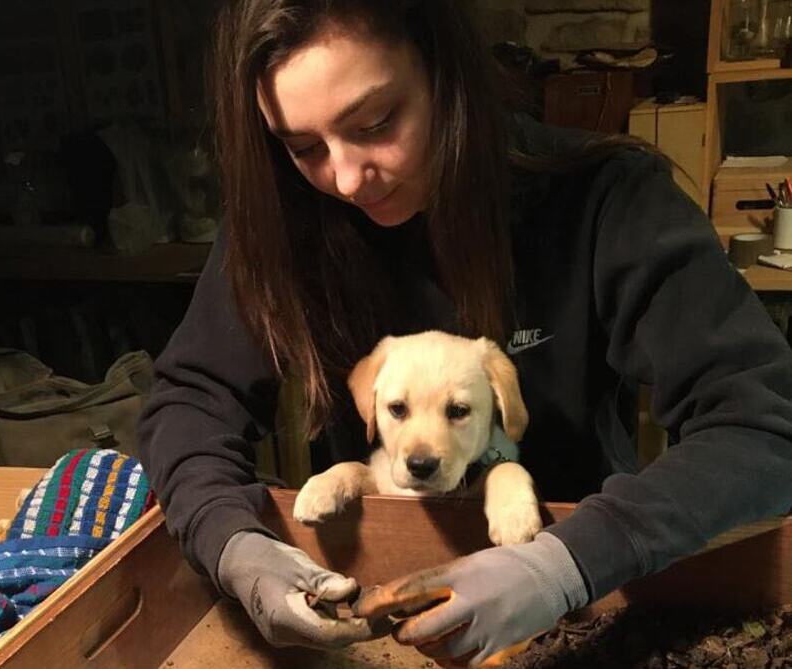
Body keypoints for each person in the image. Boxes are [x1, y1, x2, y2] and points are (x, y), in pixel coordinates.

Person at [138, 0, 792, 666]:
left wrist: (564, 563)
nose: (345, 177)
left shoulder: (605, 198)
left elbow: (764, 425)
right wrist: (231, 541)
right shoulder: (287, 224)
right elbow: (190, 402)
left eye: (375, 122)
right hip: (377, 577)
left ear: (444, 72)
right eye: (302, 147)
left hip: (595, 595)